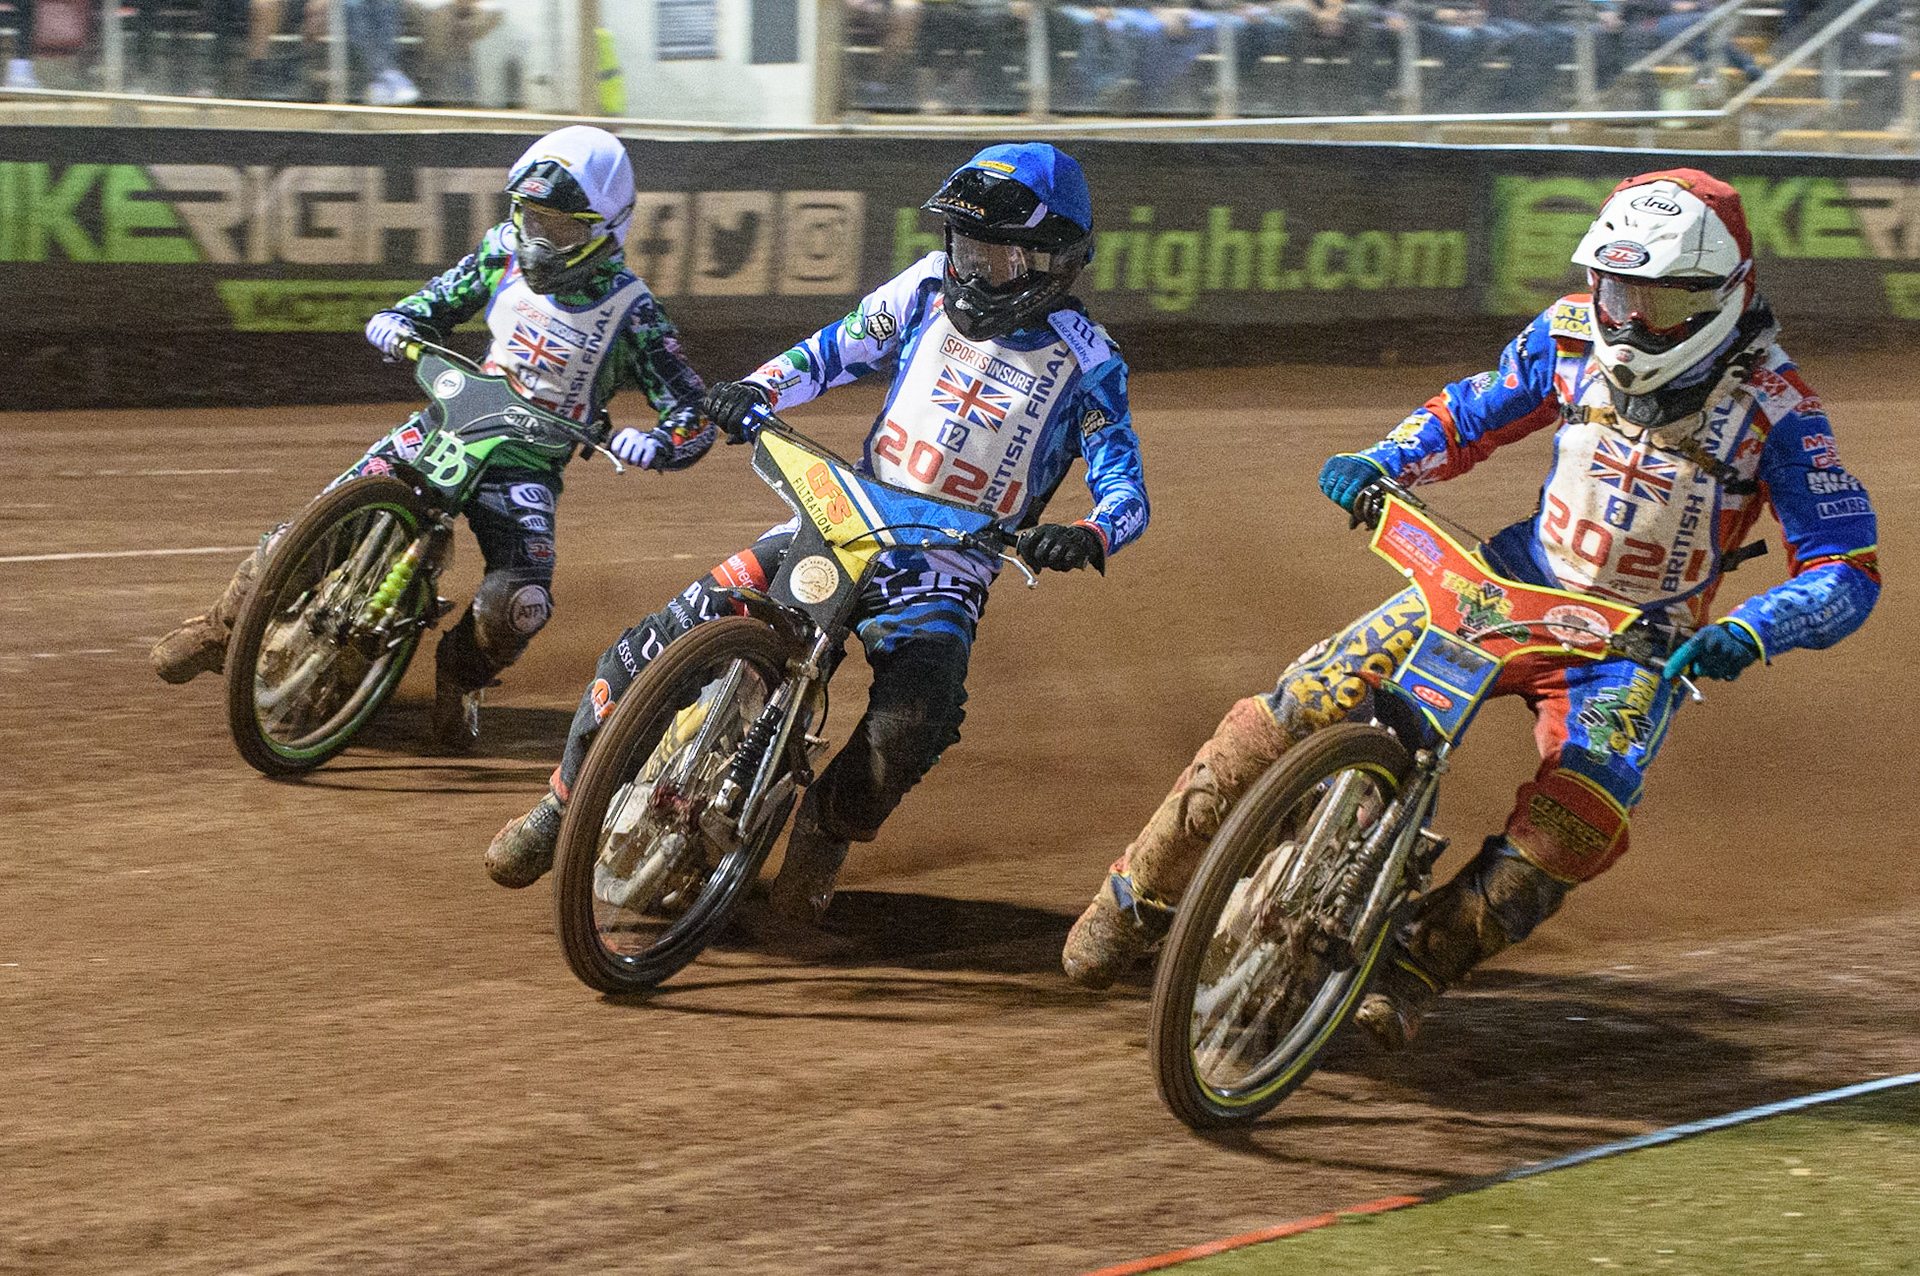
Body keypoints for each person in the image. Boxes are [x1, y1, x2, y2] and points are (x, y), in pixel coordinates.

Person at [1061, 169, 1881, 1051]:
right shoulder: (1569, 335)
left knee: (1582, 818)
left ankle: (1419, 963)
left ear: (1727, 295)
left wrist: (1751, 632)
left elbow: (1848, 566)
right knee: (1296, 704)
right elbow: (1474, 409)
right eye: (1616, 288)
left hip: (1632, 643)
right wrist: (1385, 461)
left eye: (1660, 300)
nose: (1631, 318)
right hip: (1504, 584)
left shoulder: (1779, 409)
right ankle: (1136, 895)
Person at [485, 142, 1150, 930]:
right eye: (964, 249)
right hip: (838, 517)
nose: (972, 272)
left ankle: (826, 834)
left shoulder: (1091, 361)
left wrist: (1088, 535)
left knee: (919, 716)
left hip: (945, 566)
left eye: (995, 257)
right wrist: (754, 389)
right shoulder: (924, 290)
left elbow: (1126, 490)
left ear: (1053, 261)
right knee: (651, 646)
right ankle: (559, 809)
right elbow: (831, 350)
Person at [150, 125, 712, 751]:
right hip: (451, 421)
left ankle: (462, 675)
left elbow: (691, 408)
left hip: (524, 467)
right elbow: (438, 300)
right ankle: (223, 628)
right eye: (531, 219)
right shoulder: (501, 252)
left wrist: (659, 443)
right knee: (312, 527)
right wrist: (399, 320)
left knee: (520, 603)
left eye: (563, 228)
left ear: (608, 227)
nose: (541, 241)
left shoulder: (635, 314)